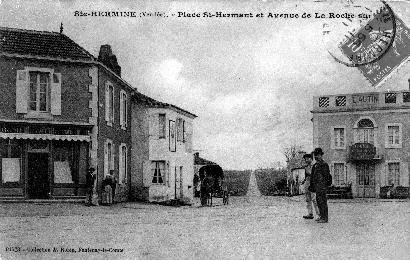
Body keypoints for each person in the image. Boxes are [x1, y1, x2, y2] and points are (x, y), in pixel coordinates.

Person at [309, 148, 330, 223]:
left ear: (321, 155)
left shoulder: (324, 165)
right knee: (318, 201)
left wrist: (324, 185)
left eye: (317, 155)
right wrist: (312, 186)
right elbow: (312, 176)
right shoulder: (315, 165)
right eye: (315, 155)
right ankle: (321, 216)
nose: (316, 157)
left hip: (322, 186)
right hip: (317, 187)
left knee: (323, 202)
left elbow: (327, 176)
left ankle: (325, 218)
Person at [301, 154, 319, 219]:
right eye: (305, 159)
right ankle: (310, 213)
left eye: (307, 158)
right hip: (307, 183)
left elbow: (313, 174)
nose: (306, 160)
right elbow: (306, 175)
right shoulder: (306, 166)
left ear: (311, 159)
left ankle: (319, 214)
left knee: (314, 199)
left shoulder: (314, 166)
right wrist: (304, 180)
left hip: (313, 183)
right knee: (308, 199)